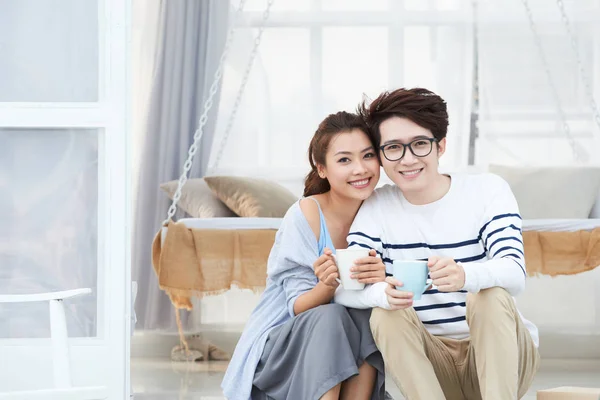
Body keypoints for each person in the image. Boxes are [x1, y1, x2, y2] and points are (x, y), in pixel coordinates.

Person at [332, 88, 540, 399]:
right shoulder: (376, 207)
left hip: (502, 358)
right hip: (433, 365)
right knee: (385, 311)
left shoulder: (486, 190)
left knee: (489, 295)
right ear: (381, 154)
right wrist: (382, 293)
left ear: (440, 145)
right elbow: (343, 287)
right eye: (393, 148)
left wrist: (465, 276)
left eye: (419, 144)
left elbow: (513, 272)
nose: (407, 159)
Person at [221, 111, 389, 400]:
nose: (360, 169)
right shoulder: (306, 215)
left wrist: (384, 275)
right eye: (344, 160)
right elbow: (298, 307)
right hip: (282, 351)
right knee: (331, 315)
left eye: (368, 155)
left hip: (347, 340)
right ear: (322, 169)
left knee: (366, 315)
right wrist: (327, 285)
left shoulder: (385, 207)